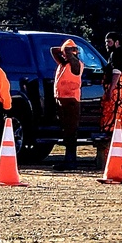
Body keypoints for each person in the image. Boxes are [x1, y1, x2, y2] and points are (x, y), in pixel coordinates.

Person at [51, 39, 82, 170]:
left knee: (70, 131)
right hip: (62, 99)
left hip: (71, 101)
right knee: (66, 131)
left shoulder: (76, 64)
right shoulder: (64, 63)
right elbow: (53, 50)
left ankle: (71, 161)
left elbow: (72, 59)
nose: (64, 54)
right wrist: (64, 49)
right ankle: (68, 160)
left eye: (66, 52)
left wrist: (69, 51)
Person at [101, 31, 122, 134]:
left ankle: (110, 146)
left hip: (118, 94)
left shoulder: (116, 54)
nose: (107, 45)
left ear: (117, 42)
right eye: (106, 42)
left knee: (112, 120)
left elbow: (117, 73)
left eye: (109, 42)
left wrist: (110, 90)